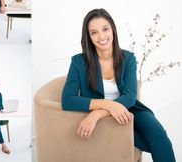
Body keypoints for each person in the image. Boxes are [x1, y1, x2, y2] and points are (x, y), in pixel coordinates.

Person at [62, 9, 176, 162]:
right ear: (88, 37)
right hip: (106, 121)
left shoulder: (128, 58)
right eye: (94, 32)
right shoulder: (78, 62)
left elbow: (129, 97)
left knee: (161, 140)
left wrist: (98, 113)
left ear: (113, 30)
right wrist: (109, 106)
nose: (101, 36)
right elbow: (67, 100)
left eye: (105, 29)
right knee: (149, 144)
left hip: (130, 109)